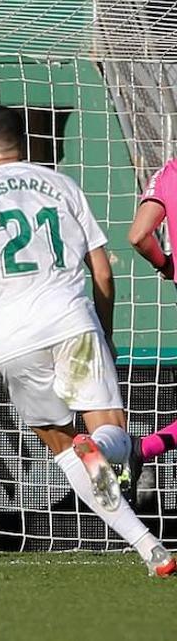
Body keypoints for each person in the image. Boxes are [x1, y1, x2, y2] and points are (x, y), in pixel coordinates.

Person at [0, 106, 174, 577]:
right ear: (25, 145)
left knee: (63, 446)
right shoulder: (62, 184)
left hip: (11, 337)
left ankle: (151, 549)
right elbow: (101, 267)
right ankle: (104, 452)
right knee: (109, 432)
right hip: (71, 319)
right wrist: (103, 329)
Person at [123, 156, 177, 493]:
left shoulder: (170, 171)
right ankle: (143, 448)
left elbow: (139, 235)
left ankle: (143, 448)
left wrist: (168, 268)